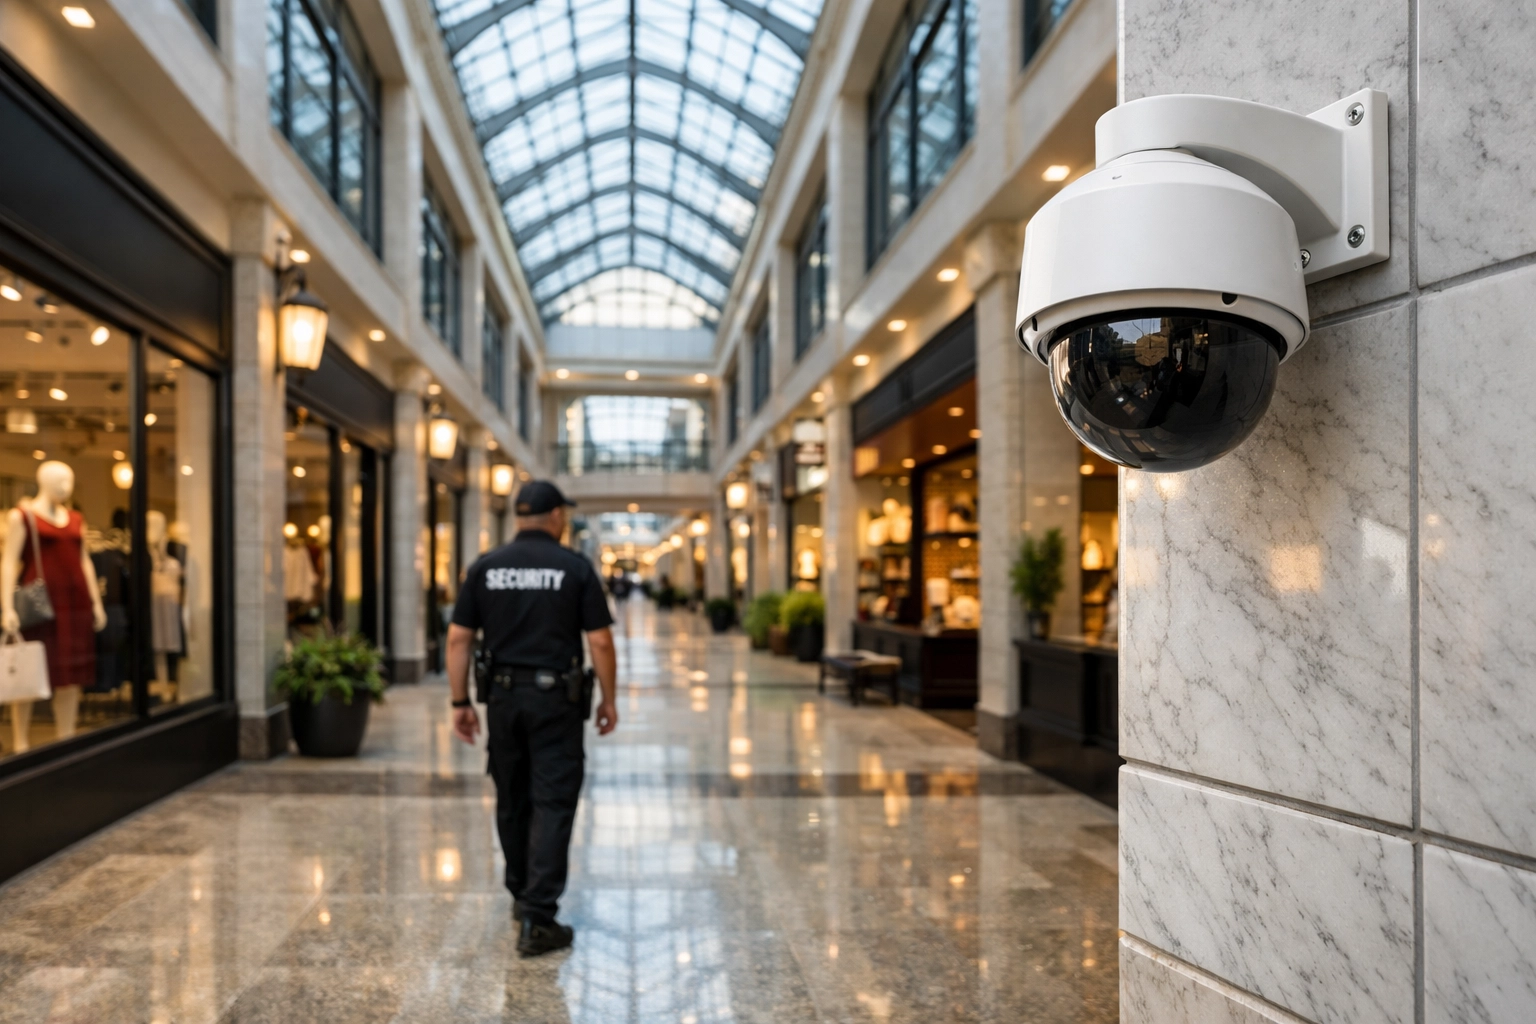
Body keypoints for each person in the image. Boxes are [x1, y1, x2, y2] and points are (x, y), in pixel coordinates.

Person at [445, 480, 619, 958]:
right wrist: (609, 700)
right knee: (553, 800)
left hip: (501, 702)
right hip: (556, 703)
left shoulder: (485, 567)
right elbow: (600, 642)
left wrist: (459, 702)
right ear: (557, 516)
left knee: (513, 797)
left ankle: (522, 896)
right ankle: (539, 917)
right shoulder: (574, 568)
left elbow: (459, 640)